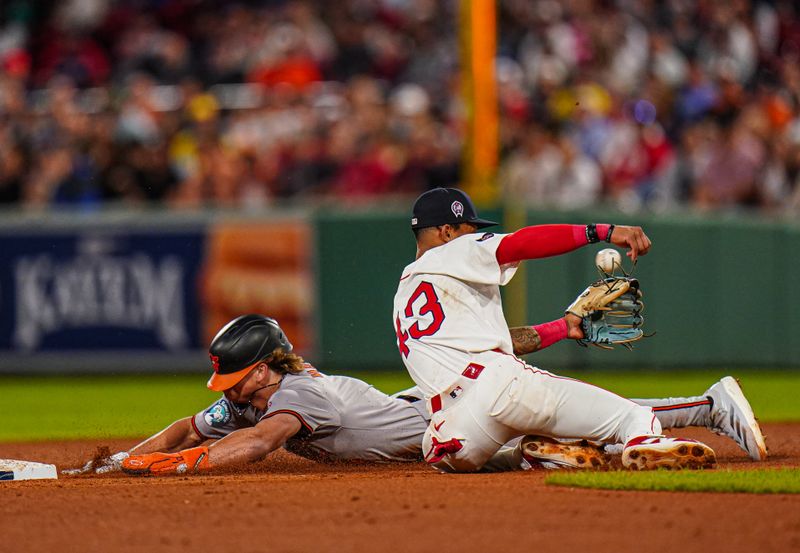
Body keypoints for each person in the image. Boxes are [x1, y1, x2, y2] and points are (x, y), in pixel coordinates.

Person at [64, 314, 765, 476]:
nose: (227, 390)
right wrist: (131, 454)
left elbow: (250, 446)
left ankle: (708, 403)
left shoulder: (296, 398)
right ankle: (560, 451)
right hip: (418, 417)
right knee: (541, 449)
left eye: (233, 375)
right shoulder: (256, 393)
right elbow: (190, 425)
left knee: (552, 421)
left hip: (441, 422)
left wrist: (167, 469)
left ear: (263, 367)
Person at [392, 187, 724, 472]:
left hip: (454, 429)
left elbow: (500, 342)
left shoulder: (406, 291)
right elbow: (522, 243)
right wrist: (603, 232)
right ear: (447, 231)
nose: (475, 235)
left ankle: (528, 456)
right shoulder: (456, 249)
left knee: (437, 449)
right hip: (502, 387)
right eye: (469, 228)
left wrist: (563, 327)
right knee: (634, 416)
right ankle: (645, 441)